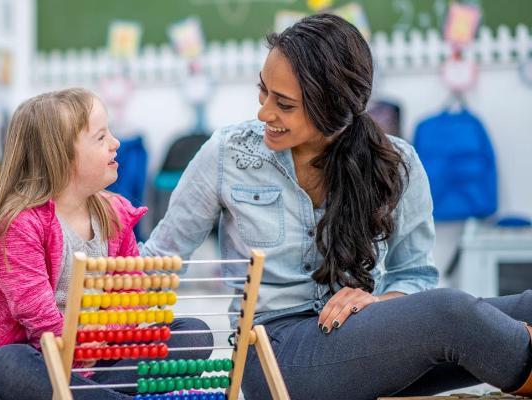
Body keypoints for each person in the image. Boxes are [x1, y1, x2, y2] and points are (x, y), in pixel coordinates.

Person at [140, 14, 532, 400]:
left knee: (524, 307)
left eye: (285, 104)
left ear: (333, 109)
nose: (264, 113)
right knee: (451, 313)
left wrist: (379, 302)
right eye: (263, 92)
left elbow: (414, 274)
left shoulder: (398, 163)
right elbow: (159, 259)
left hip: (363, 342)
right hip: (277, 356)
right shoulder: (228, 154)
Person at [0, 88, 213, 400]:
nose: (115, 143)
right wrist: (82, 354)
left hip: (96, 364)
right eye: (101, 138)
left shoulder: (115, 214)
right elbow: (41, 321)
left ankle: (94, 394)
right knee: (3, 365)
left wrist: (107, 337)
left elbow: (130, 299)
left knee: (195, 335)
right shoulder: (19, 225)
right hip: (39, 361)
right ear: (61, 156)